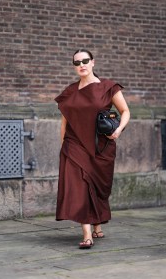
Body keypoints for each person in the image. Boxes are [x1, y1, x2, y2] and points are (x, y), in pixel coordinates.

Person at [54, 49, 130, 249]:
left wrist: (119, 130)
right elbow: (65, 122)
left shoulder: (107, 87)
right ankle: (87, 233)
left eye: (85, 61)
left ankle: (97, 226)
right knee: (80, 186)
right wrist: (63, 147)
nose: (81, 65)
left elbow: (125, 111)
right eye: (77, 62)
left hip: (100, 146)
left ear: (93, 62)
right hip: (74, 145)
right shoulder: (69, 92)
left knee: (97, 187)